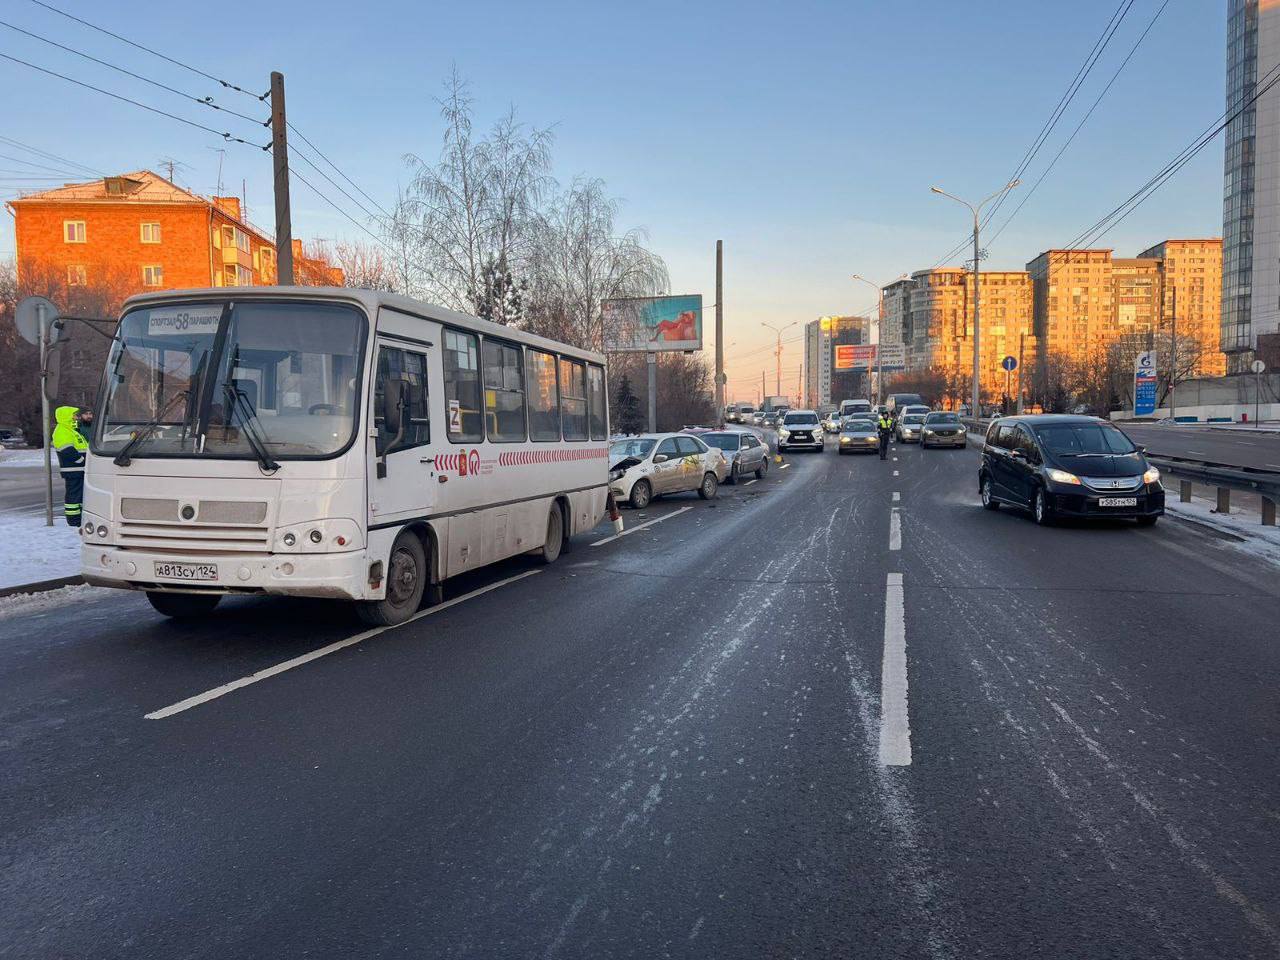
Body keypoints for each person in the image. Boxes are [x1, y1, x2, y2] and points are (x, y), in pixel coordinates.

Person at [52, 405, 91, 527]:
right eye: (73, 415)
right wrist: (81, 460)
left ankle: (78, 518)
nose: (76, 417)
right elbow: (66, 450)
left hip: (79, 469)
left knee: (79, 495)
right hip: (73, 469)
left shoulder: (71, 430)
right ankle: (73, 519)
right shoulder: (62, 431)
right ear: (66, 416)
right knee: (74, 496)